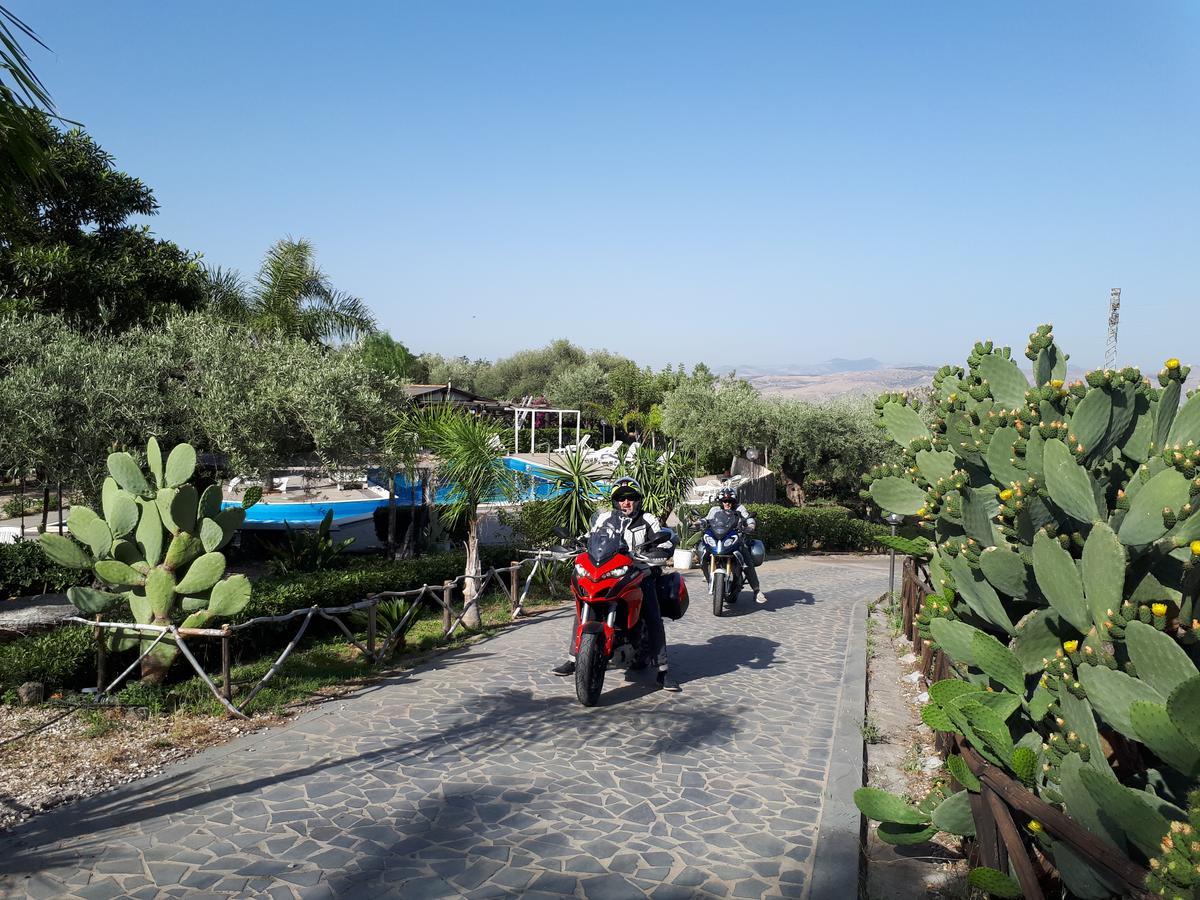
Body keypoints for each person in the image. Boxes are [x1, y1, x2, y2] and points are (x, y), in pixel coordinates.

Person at [550, 477, 681, 692]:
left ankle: (663, 671)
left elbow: (663, 539)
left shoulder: (647, 519)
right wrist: (577, 543)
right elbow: (590, 538)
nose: (625, 502)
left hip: (639, 573)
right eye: (621, 498)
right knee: (584, 607)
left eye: (630, 498)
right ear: (615, 501)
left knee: (652, 614)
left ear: (637, 500)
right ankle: (574, 660)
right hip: (607, 573)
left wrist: (662, 549)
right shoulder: (605, 518)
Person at [701, 487, 767, 603]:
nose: (727, 503)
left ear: (734, 501)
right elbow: (706, 520)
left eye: (730, 501)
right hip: (719, 538)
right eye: (725, 501)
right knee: (703, 551)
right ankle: (709, 576)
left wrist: (750, 526)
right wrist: (698, 523)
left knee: (746, 558)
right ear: (720, 501)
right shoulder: (714, 510)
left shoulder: (740, 508)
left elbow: (748, 519)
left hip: (735, 539)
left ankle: (756, 591)